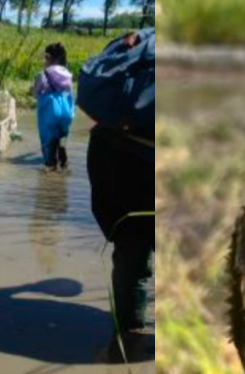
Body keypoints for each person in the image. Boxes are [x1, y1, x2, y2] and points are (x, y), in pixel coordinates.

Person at [82, 30, 154, 362]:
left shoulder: (136, 40)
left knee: (131, 248)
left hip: (109, 152)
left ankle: (127, 336)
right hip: (145, 160)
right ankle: (130, 344)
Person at [33, 43, 75, 172]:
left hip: (49, 111)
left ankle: (50, 165)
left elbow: (36, 94)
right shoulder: (68, 74)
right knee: (62, 136)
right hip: (67, 111)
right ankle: (64, 162)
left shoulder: (43, 74)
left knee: (48, 138)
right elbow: (70, 93)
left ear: (48, 57)